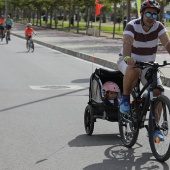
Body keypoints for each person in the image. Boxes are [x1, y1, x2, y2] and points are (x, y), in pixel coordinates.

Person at [117, 0, 170, 141]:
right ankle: (125, 99)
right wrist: (128, 57)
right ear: (141, 13)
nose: (151, 17)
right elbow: (127, 42)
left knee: (158, 91)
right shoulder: (132, 26)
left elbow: (167, 43)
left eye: (154, 14)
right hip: (128, 61)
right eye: (148, 13)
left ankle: (154, 128)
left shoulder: (158, 27)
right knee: (133, 70)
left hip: (148, 64)